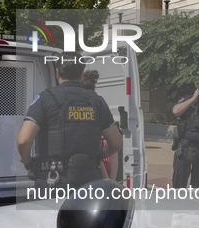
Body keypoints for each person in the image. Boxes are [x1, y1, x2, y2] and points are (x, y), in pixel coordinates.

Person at [17, 52, 122, 191]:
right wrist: (99, 154)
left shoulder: (45, 99)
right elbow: (117, 143)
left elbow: (23, 141)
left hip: (53, 181)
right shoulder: (97, 101)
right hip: (90, 181)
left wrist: (28, 163)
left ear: (57, 73)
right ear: (82, 74)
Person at [81, 70, 120, 181]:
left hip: (96, 171)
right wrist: (111, 180)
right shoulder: (100, 107)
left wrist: (108, 179)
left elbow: (96, 155)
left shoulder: (87, 114)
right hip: (102, 171)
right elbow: (114, 151)